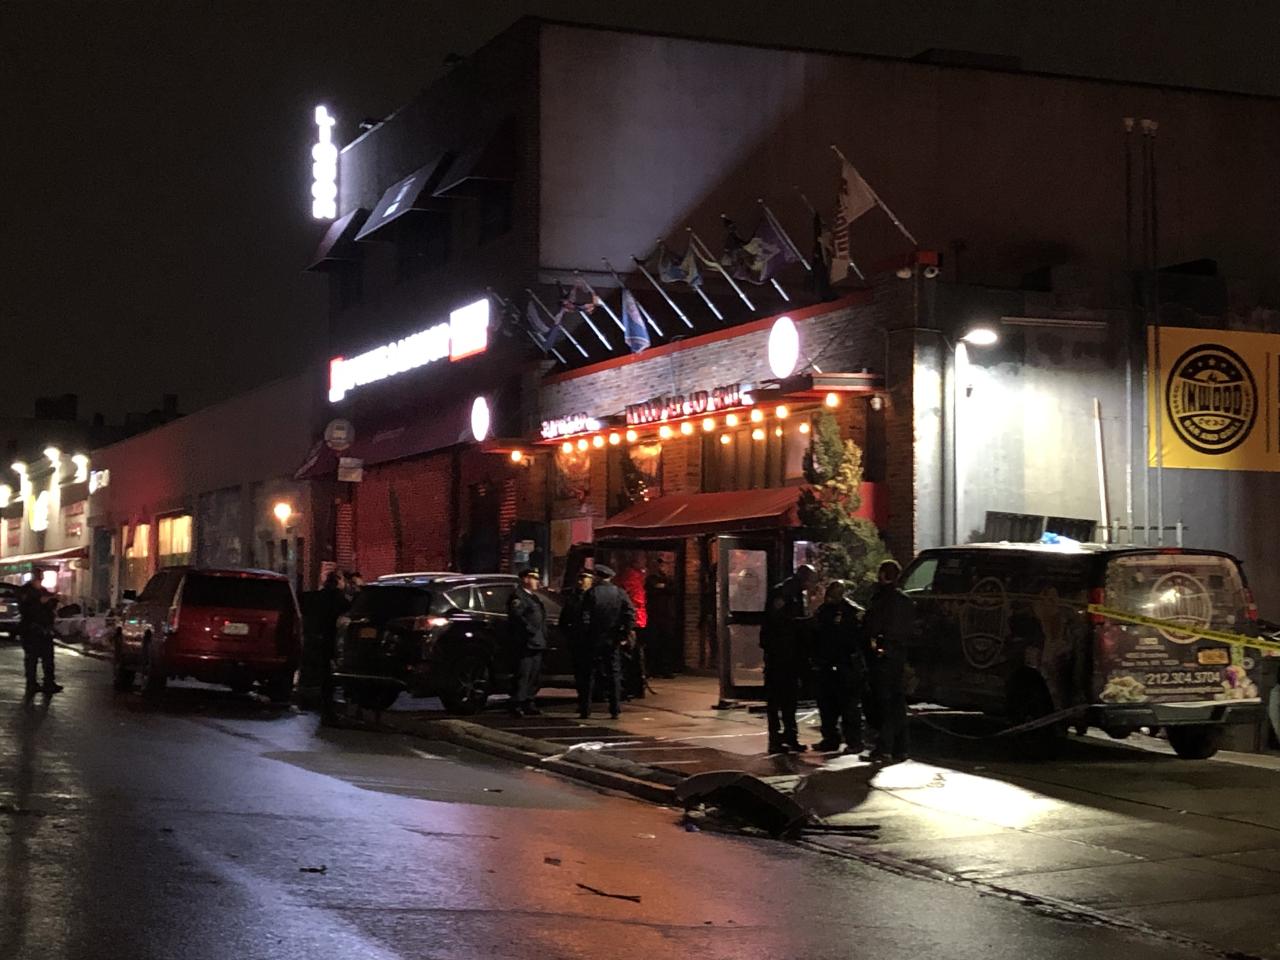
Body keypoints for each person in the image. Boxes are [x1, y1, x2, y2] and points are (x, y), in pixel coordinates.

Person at [861, 559, 915, 762]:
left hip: (881, 659)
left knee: (882, 705)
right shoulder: (905, 601)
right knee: (897, 703)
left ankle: (883, 747)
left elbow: (870, 628)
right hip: (897, 657)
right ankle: (901, 748)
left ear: (883, 575)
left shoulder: (881, 600)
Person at [760, 564, 817, 754]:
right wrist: (808, 623)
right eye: (811, 580)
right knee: (778, 698)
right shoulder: (784, 593)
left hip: (790, 654)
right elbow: (781, 623)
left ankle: (790, 737)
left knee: (789, 698)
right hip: (780, 654)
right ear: (804, 579)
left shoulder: (794, 593)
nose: (812, 585)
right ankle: (777, 738)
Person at [811, 580, 867, 754]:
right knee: (827, 705)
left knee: (848, 706)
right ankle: (830, 739)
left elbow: (857, 639)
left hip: (845, 664)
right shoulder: (824, 610)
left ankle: (853, 741)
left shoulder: (851, 612)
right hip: (828, 663)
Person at [579, 564, 635, 719]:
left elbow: (585, 617)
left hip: (594, 639)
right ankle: (615, 709)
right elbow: (630, 614)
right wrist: (623, 635)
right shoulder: (619, 593)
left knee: (589, 674)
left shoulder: (591, 593)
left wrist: (586, 635)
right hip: (612, 639)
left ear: (598, 576)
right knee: (614, 674)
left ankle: (585, 709)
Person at [307, 571, 350, 721]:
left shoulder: (319, 596)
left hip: (317, 638)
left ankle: (320, 703)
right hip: (330, 638)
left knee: (320, 671)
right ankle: (327, 708)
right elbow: (348, 607)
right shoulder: (337, 597)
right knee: (328, 674)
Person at [506, 567, 547, 716]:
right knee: (523, 674)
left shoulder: (533, 597)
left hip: (537, 641)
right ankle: (517, 703)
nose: (537, 581)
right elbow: (517, 618)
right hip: (526, 642)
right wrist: (530, 631)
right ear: (525, 579)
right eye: (534, 578)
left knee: (534, 675)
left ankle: (529, 701)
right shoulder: (518, 597)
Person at [560, 568, 595, 718]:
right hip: (578, 642)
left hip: (593, 642)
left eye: (584, 579)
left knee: (591, 675)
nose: (581, 582)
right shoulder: (573, 598)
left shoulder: (595, 597)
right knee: (580, 676)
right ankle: (583, 704)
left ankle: (587, 705)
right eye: (580, 579)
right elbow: (564, 620)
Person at [19, 577, 61, 697]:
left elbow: (49, 608)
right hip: (32, 632)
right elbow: (27, 611)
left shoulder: (41, 592)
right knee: (32, 659)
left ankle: (49, 682)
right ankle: (32, 684)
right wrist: (40, 603)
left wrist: (51, 602)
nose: (39, 583)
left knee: (48, 659)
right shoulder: (27, 594)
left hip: (45, 631)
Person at [644, 558, 679, 677]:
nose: (663, 567)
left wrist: (662, 587)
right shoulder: (651, 579)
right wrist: (662, 588)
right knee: (654, 643)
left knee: (667, 643)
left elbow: (673, 590)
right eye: (661, 565)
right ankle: (653, 669)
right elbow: (651, 589)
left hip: (667, 616)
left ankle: (666, 669)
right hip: (654, 615)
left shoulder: (669, 580)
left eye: (665, 565)